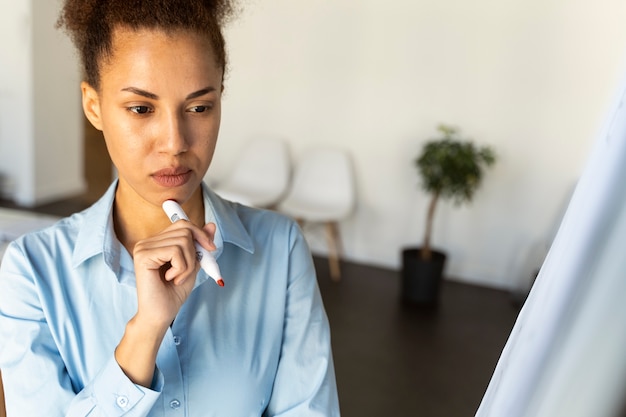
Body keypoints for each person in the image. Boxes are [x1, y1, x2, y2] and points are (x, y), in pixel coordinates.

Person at [0, 1, 340, 415]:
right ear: (94, 106)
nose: (175, 143)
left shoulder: (280, 249)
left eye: (199, 107)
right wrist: (145, 332)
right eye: (141, 109)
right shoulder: (32, 272)